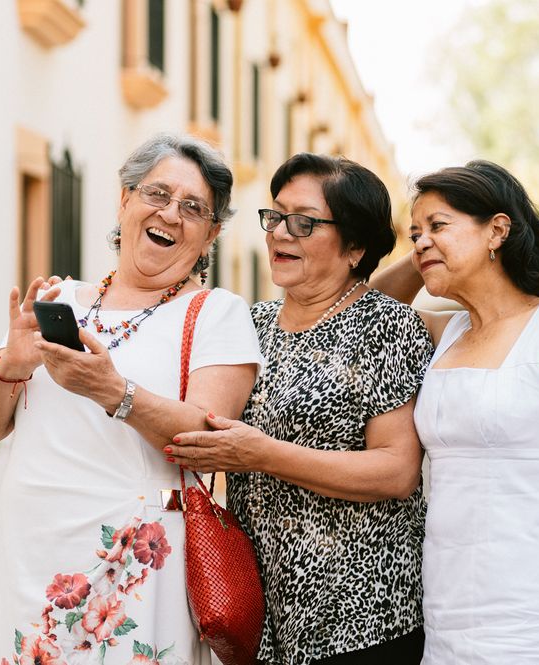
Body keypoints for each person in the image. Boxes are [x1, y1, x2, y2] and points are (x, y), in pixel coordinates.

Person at [0, 134, 263, 664]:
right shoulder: (57, 301)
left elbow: (210, 436)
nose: (170, 214)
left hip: (134, 565)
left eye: (193, 208)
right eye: (157, 194)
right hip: (28, 558)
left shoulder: (218, 313)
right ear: (125, 200)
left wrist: (113, 391)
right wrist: (9, 365)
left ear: (211, 233)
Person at [168, 153, 435, 664]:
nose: (280, 234)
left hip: (363, 618)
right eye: (275, 216)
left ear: (355, 246)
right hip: (264, 619)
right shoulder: (250, 325)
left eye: (304, 222)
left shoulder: (386, 325)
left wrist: (262, 454)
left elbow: (397, 470)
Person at [373, 160, 539, 665]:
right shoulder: (445, 335)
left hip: (536, 610)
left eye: (439, 225)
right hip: (447, 610)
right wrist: (429, 251)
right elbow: (368, 307)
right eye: (414, 232)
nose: (421, 242)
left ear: (497, 230)